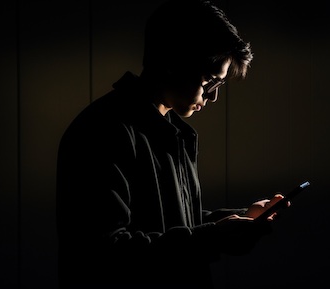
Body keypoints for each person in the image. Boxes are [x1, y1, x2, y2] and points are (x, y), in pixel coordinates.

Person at [56, 0, 288, 288]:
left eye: (218, 86)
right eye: (208, 82)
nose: (212, 97)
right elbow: (105, 252)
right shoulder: (103, 132)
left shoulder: (171, 133)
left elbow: (173, 222)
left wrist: (239, 219)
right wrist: (214, 236)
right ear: (171, 63)